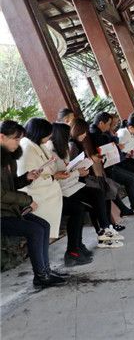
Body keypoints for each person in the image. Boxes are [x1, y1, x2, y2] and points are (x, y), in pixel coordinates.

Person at [1, 120, 68, 288]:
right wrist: (28, 200)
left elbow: (11, 185)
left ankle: (45, 271)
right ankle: (41, 277)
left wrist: (26, 178)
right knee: (35, 230)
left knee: (43, 226)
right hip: (3, 214)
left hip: (10, 210)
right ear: (1, 137)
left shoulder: (8, 159)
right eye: (15, 139)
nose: (18, 143)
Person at [17, 118, 90, 266]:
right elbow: (30, 180)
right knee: (43, 232)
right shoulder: (27, 149)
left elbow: (43, 171)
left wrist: (56, 174)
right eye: (47, 135)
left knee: (78, 209)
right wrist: (54, 176)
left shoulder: (37, 145)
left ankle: (70, 252)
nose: (49, 138)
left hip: (51, 193)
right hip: (39, 198)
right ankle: (47, 269)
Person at [47, 123, 124, 249]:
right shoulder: (52, 151)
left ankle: (105, 229)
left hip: (73, 184)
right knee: (92, 199)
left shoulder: (62, 148)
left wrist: (78, 168)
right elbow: (60, 176)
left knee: (99, 193)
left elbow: (66, 170)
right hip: (65, 189)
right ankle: (103, 231)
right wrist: (77, 171)